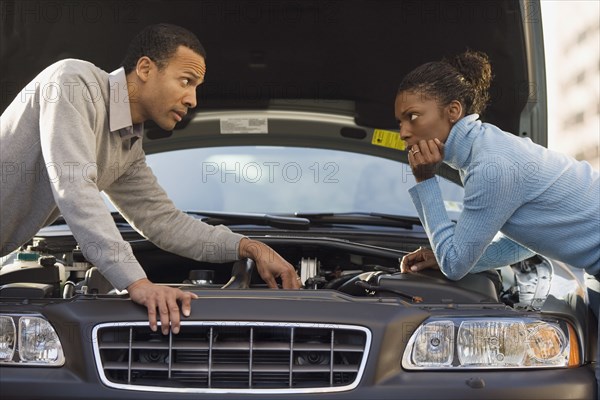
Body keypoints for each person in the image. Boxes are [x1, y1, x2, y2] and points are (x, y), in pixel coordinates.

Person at [0, 23, 301, 335]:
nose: (192, 99)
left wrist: (247, 247)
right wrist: (136, 282)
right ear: (145, 68)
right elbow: (75, 187)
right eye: (186, 81)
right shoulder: (73, 83)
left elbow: (164, 222)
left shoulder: (127, 148)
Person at [395, 50, 599, 397]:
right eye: (400, 121)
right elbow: (526, 240)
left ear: (453, 111)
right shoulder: (488, 150)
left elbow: (456, 265)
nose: (403, 132)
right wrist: (448, 255)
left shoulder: (491, 166)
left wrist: (426, 179)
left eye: (412, 117)